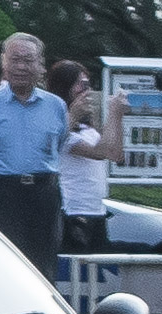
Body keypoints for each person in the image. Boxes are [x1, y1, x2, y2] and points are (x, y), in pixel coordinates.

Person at [0, 32, 70, 275]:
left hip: (43, 193)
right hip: (0, 194)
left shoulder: (56, 106)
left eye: (28, 60)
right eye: (15, 60)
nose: (21, 67)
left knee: (43, 266)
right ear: (3, 63)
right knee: (0, 265)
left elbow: (58, 144)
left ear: (41, 65)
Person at [52, 62, 127, 252]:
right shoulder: (61, 126)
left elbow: (115, 153)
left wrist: (117, 118)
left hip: (95, 209)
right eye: (81, 85)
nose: (87, 92)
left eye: (88, 85)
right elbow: (101, 152)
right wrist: (113, 113)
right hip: (74, 210)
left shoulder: (86, 127)